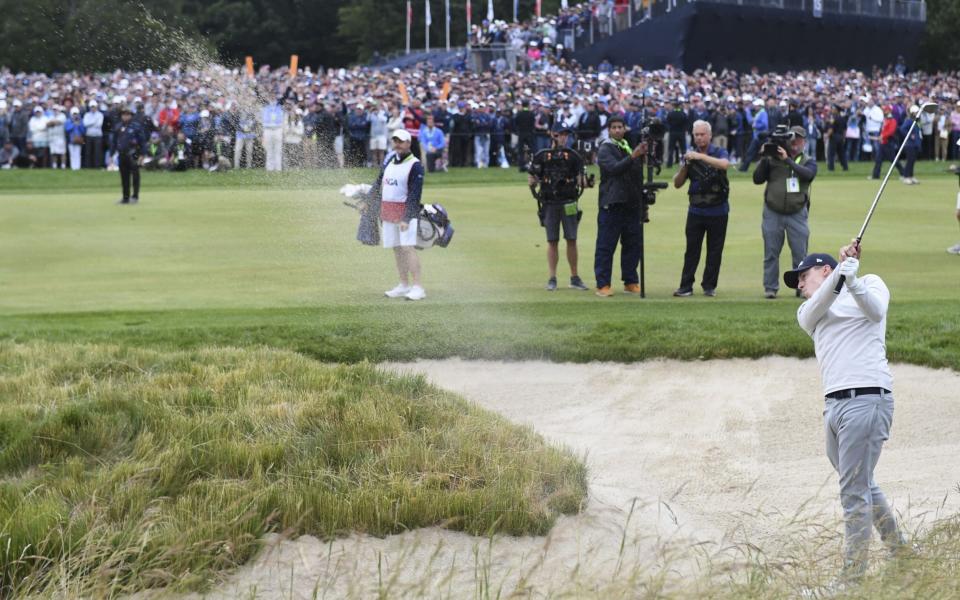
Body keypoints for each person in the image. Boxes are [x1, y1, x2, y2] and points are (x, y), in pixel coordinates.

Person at [784, 240, 907, 588]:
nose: (799, 285)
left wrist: (851, 278)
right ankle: (900, 552)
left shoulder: (870, 284)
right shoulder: (810, 310)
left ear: (822, 271)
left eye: (802, 277)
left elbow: (875, 311)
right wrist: (841, 273)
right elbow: (816, 306)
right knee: (862, 484)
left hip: (867, 398)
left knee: (853, 493)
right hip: (834, 407)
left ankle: (850, 583)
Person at [752, 125, 817, 299]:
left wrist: (787, 160)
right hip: (773, 211)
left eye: (798, 139)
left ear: (804, 141)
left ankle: (802, 287)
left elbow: (809, 175)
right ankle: (770, 288)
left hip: (797, 212)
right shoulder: (772, 159)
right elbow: (757, 179)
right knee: (771, 252)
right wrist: (764, 158)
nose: (795, 142)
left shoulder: (807, 160)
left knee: (800, 253)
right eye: (792, 138)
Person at [527, 125, 590, 292]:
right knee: (552, 240)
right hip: (549, 202)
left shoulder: (574, 156)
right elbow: (532, 178)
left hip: (569, 200)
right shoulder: (541, 156)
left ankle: (574, 277)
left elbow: (580, 181)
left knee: (571, 239)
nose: (563, 138)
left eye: (564, 135)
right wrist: (534, 180)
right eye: (559, 135)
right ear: (552, 136)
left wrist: (585, 182)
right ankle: (552, 277)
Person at [671, 120, 730, 297]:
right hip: (696, 210)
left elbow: (724, 164)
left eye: (702, 134)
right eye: (696, 134)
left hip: (718, 210)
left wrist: (700, 157)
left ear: (710, 135)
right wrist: (685, 165)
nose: (699, 137)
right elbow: (677, 183)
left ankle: (709, 286)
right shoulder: (689, 156)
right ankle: (686, 285)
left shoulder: (718, 152)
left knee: (714, 251)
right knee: (692, 250)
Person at [594, 115, 647, 297]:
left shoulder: (627, 146)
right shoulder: (605, 148)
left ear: (625, 129)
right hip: (612, 202)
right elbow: (614, 169)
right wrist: (634, 156)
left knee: (633, 244)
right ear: (609, 130)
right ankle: (602, 284)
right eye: (614, 127)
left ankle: (630, 281)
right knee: (606, 246)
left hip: (631, 203)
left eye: (620, 127)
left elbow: (637, 173)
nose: (617, 130)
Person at [373, 130, 427, 301]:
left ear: (408, 143)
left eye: (401, 141)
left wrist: (407, 217)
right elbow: (379, 182)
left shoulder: (415, 165)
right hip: (388, 211)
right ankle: (404, 285)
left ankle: (418, 287)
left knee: (407, 248)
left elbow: (414, 194)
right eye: (395, 140)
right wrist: (369, 201)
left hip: (405, 213)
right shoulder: (389, 160)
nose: (397, 144)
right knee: (397, 248)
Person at [115, 106, 145, 205]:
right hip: (122, 154)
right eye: (123, 114)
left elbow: (142, 141)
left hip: (133, 154)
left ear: (131, 115)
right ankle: (125, 197)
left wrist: (142, 155)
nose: (125, 116)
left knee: (135, 175)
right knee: (124, 177)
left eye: (127, 114)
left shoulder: (136, 126)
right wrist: (113, 154)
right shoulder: (119, 126)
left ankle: (135, 196)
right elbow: (115, 141)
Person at [261, 98, 284, 171]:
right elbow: (264, 120)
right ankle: (269, 168)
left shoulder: (279, 109)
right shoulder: (266, 109)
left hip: (277, 129)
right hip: (268, 130)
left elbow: (280, 120)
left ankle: (278, 168)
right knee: (269, 149)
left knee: (278, 150)